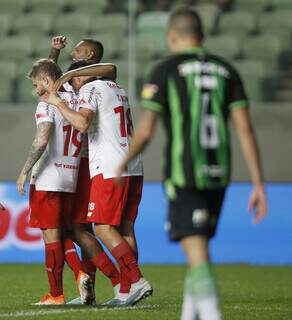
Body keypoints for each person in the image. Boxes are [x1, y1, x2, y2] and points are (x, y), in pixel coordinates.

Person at [116, 7, 267, 320]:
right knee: (197, 248)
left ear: (171, 36)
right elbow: (245, 130)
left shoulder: (165, 70)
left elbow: (145, 131)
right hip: (219, 175)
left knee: (197, 254)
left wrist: (122, 164)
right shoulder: (227, 70)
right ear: (203, 35)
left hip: (185, 176)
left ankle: (212, 314)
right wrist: (258, 183)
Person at [42, 60, 153, 306]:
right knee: (125, 230)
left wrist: (58, 103)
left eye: (73, 80)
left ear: (82, 77)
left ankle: (136, 280)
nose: (73, 84)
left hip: (110, 166)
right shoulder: (117, 88)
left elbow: (82, 123)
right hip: (133, 166)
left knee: (102, 227)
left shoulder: (90, 90)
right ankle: (125, 290)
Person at [16, 59, 94, 305]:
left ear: (46, 81)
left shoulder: (45, 105)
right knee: (61, 234)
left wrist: (24, 171)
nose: (35, 89)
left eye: (36, 83)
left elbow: (41, 140)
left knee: (50, 238)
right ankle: (80, 274)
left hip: (48, 179)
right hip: (70, 177)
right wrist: (54, 53)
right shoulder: (73, 100)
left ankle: (56, 293)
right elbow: (52, 70)